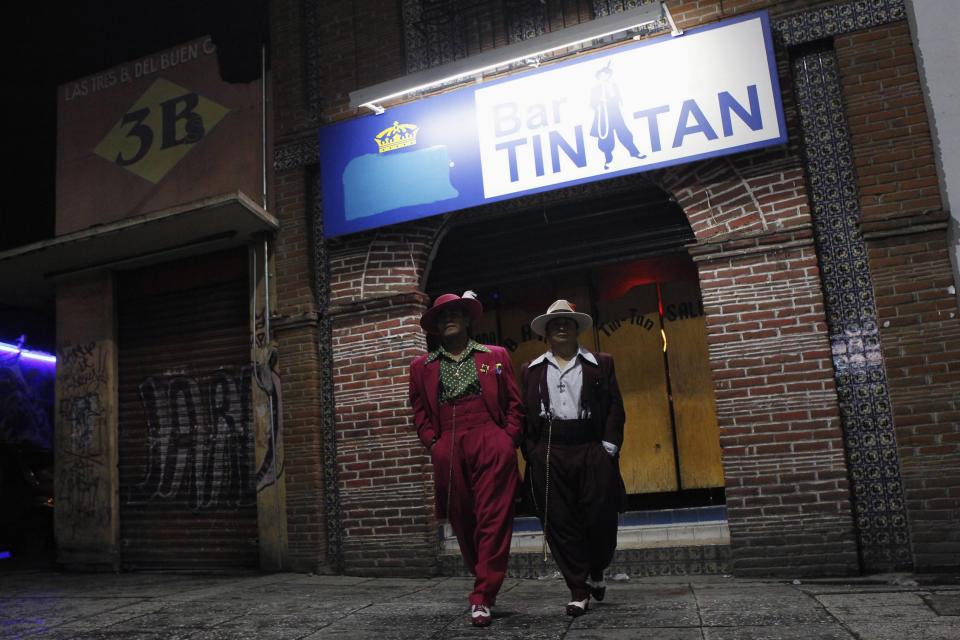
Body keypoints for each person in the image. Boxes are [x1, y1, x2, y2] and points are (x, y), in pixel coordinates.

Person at [408, 292, 523, 627]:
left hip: (490, 439)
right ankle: (484, 575)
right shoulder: (423, 368)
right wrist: (433, 443)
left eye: (456, 313)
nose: (449, 320)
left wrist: (507, 439)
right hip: (449, 446)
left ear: (469, 319)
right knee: (462, 518)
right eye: (442, 316)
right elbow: (418, 411)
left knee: (494, 517)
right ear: (435, 327)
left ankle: (482, 595)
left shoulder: (493, 357)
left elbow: (515, 404)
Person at [520, 299, 626, 617]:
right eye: (555, 323)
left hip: (591, 447)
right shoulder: (531, 370)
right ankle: (578, 588)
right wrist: (532, 453)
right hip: (550, 451)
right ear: (546, 333)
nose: (562, 327)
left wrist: (608, 448)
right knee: (560, 521)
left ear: (577, 328)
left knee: (600, 518)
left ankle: (596, 569)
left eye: (567, 322)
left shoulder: (601, 363)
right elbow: (525, 415)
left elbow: (614, 408)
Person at [589, 62, 645, 169]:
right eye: (602, 74)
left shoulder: (614, 86)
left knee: (624, 133)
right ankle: (608, 159)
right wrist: (599, 104)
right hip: (603, 116)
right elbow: (592, 104)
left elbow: (619, 98)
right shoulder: (595, 89)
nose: (604, 76)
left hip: (615, 113)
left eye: (606, 74)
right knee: (606, 138)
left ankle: (634, 152)